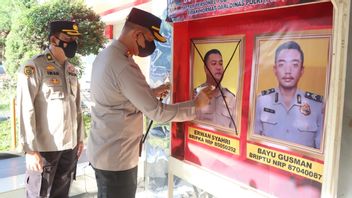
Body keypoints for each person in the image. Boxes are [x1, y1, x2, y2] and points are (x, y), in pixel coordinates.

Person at [87, 7, 213, 198]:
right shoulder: (123, 65)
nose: (150, 46)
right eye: (149, 39)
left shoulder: (107, 56)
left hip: (105, 152)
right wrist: (195, 105)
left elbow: (117, 97)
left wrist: (151, 92)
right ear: (137, 34)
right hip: (117, 160)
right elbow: (157, 113)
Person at [16, 20, 84, 197]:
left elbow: (77, 108)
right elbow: (25, 108)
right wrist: (30, 150)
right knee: (40, 193)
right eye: (68, 38)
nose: (73, 42)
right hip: (44, 149)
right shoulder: (34, 67)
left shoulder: (71, 70)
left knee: (61, 193)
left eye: (75, 38)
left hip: (69, 147)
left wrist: (80, 138)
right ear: (54, 39)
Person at [254, 41, 324, 149]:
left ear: (301, 70)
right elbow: (254, 143)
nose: (288, 71)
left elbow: (321, 150)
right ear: (275, 69)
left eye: (295, 65)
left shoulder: (317, 105)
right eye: (282, 65)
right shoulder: (262, 101)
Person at [194, 49, 236, 129]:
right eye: (213, 64)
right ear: (205, 68)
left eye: (221, 63)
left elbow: (234, 131)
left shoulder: (231, 98)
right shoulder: (195, 95)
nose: (218, 67)